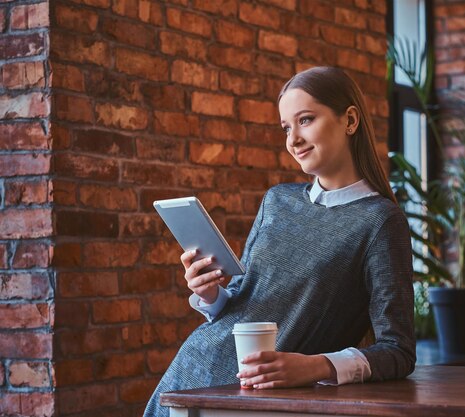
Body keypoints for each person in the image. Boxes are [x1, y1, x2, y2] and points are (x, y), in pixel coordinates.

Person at [143, 66, 415, 417]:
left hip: (259, 401)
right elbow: (244, 297)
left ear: (350, 120)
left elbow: (398, 350)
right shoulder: (277, 200)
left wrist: (317, 366)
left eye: (305, 120)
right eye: (286, 127)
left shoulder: (380, 221)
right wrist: (210, 294)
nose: (293, 140)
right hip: (192, 373)